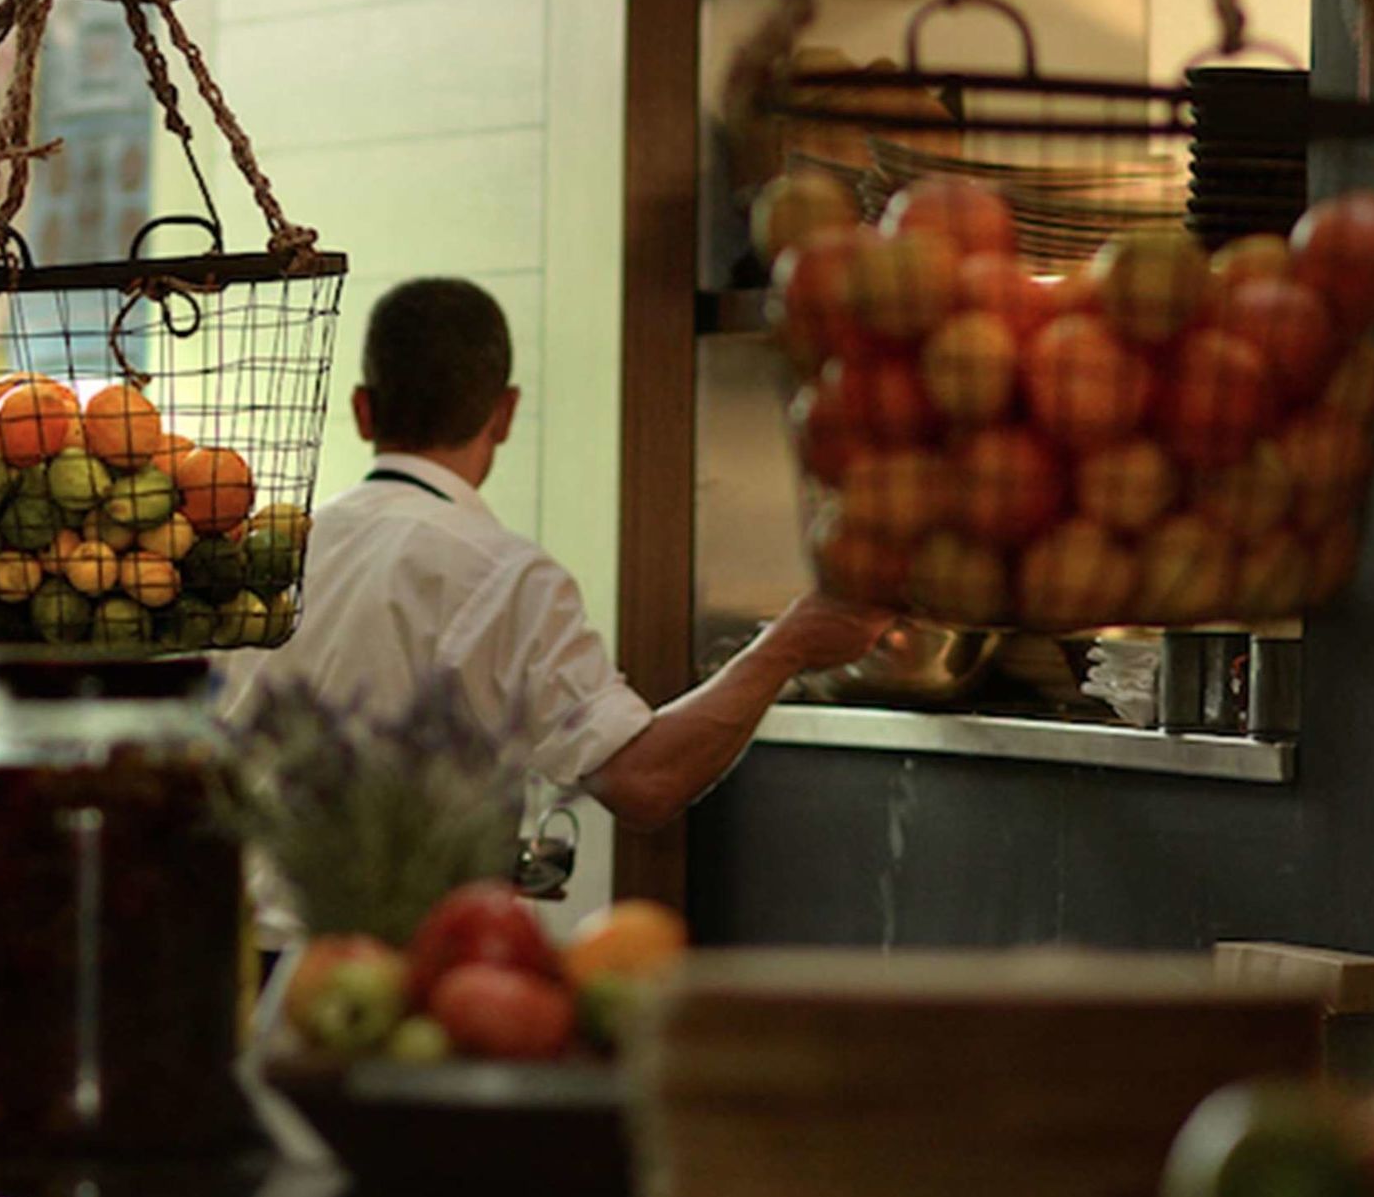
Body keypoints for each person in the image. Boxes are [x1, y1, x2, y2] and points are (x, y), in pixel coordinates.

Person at [223, 277, 890, 828]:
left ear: (363, 412)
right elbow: (642, 777)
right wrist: (788, 644)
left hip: (237, 959)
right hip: (393, 963)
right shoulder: (506, 578)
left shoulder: (275, 554)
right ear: (505, 413)